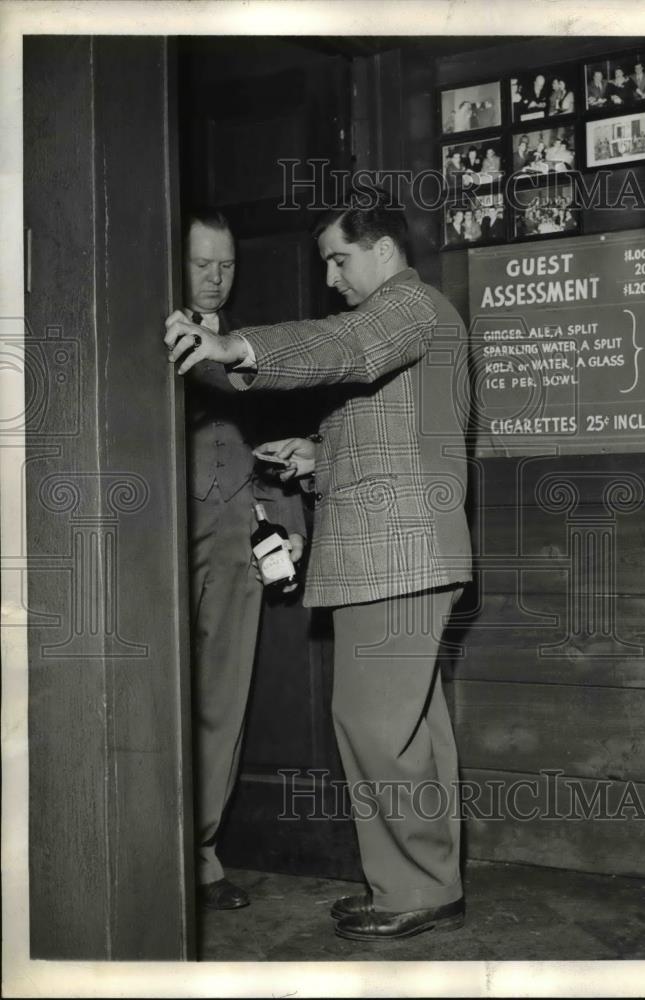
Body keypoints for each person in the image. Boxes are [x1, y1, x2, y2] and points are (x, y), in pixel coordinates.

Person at [165, 195, 473, 942]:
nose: (331, 277)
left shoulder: (406, 305)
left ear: (383, 251)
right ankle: (424, 882)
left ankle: (412, 888)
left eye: (339, 258)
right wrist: (316, 454)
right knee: (409, 728)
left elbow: (344, 347)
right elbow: (390, 428)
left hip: (396, 554)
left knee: (374, 723)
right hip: (405, 551)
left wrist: (237, 349)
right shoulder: (417, 316)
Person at [181, 209, 306, 910]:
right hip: (157, 543)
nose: (214, 277)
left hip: (234, 542)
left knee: (221, 701)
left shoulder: (247, 346)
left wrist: (286, 525)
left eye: (225, 264)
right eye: (201, 263)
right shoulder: (145, 329)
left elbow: (275, 443)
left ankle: (200, 855)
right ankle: (150, 851)